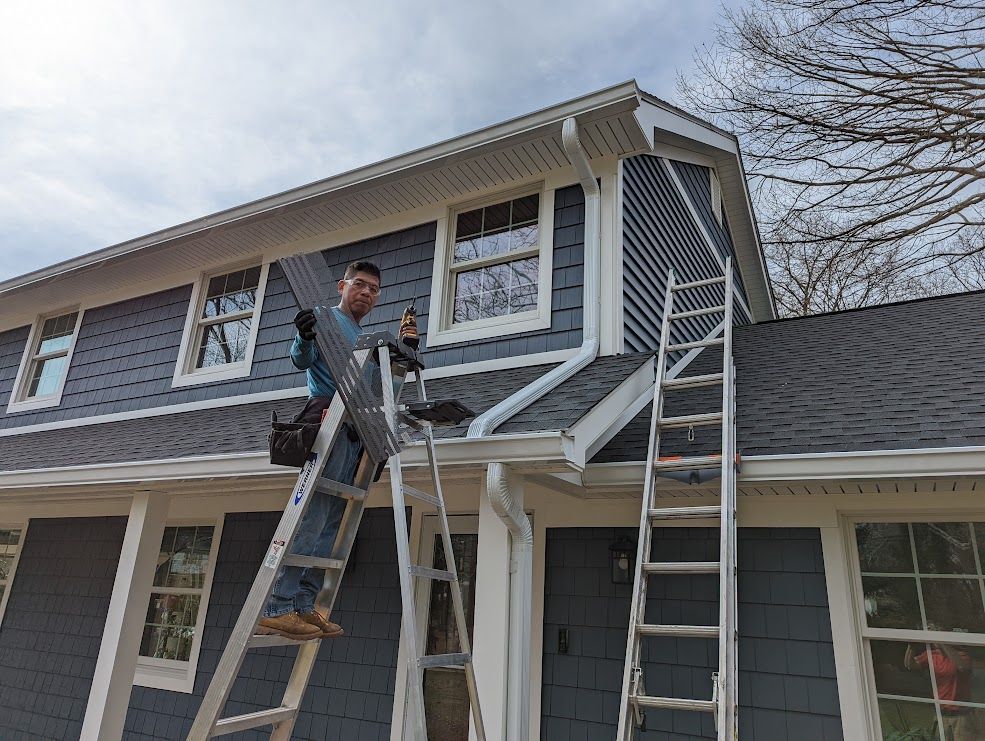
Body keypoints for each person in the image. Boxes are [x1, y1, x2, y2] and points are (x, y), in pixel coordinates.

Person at [256, 260, 385, 641]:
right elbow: (301, 360)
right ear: (342, 285)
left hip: (356, 431)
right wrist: (304, 335)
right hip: (329, 420)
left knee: (333, 520)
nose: (365, 292)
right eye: (359, 284)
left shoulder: (365, 339)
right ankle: (278, 606)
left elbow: (374, 389)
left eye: (373, 289)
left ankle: (304, 605)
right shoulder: (325, 319)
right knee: (313, 513)